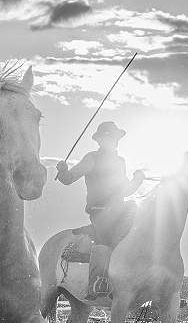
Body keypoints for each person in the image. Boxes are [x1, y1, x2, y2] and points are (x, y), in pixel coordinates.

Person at [56, 121, 145, 299]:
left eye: (115, 138)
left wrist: (137, 180)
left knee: (142, 227)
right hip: (100, 210)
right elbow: (69, 178)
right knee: (106, 238)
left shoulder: (120, 162)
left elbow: (126, 190)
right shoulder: (91, 158)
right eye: (108, 137)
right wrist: (64, 171)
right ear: (100, 140)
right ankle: (98, 282)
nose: (113, 141)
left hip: (120, 209)